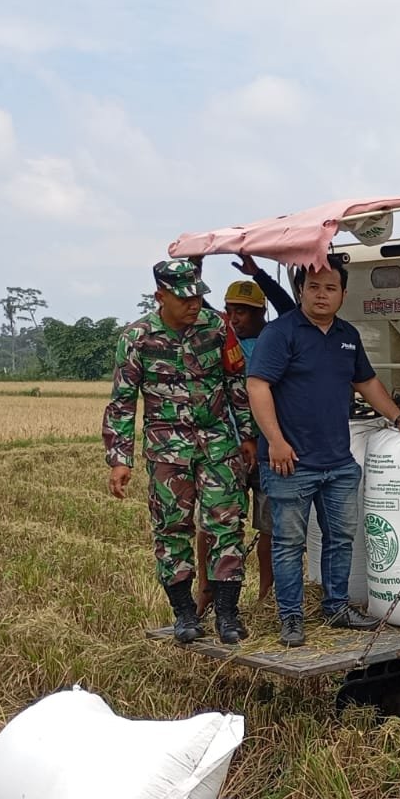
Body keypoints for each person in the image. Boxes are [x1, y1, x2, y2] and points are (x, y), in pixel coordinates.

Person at [247, 254, 400, 647]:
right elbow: (258, 386)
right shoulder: (280, 333)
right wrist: (276, 441)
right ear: (300, 290)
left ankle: (336, 607)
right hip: (291, 461)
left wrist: (399, 418)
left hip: (338, 461)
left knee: (341, 537)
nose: (322, 295)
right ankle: (291, 618)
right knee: (288, 543)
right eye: (314, 287)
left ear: (344, 294)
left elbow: (367, 382)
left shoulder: (348, 335)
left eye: (331, 288)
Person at [104, 259, 256, 645]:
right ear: (161, 296)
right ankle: (185, 614)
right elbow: (122, 402)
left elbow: (236, 383)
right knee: (172, 530)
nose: (194, 304)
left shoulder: (217, 327)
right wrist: (120, 459)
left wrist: (247, 435)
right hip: (167, 451)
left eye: (198, 296)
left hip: (218, 444)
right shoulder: (136, 338)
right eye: (184, 298)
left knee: (226, 524)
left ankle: (228, 614)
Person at [194, 277, 278, 614]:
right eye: (230, 310)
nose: (235, 317)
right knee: (214, 523)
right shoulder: (218, 341)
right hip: (225, 448)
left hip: (269, 447)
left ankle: (266, 599)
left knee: (270, 526)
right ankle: (205, 592)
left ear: (261, 313)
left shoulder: (275, 341)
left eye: (243, 311)